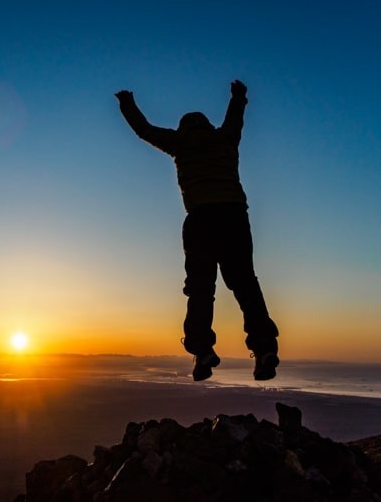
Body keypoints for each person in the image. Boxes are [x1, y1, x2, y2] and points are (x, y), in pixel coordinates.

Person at [116, 80, 279, 381]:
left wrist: (127, 104)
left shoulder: (179, 143)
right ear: (207, 125)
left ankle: (202, 351)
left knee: (201, 290)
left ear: (183, 129)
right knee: (245, 284)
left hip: (201, 220)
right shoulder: (225, 139)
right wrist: (238, 96)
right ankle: (265, 348)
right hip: (233, 217)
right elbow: (235, 119)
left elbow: (144, 130)